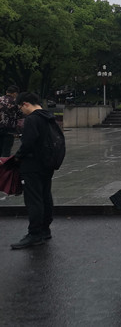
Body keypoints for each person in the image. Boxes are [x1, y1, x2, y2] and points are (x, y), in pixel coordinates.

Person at [10, 92, 57, 249]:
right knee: (45, 196)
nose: (21, 111)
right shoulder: (48, 117)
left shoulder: (32, 119)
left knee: (33, 199)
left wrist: (17, 157)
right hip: (47, 163)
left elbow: (28, 143)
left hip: (32, 165)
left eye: (20, 108)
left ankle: (34, 233)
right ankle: (45, 229)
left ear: (25, 104)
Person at [0, 85, 21, 157]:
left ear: (6, 92)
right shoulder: (15, 102)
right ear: (15, 93)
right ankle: (4, 163)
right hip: (9, 129)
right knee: (6, 150)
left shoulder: (0, 99)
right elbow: (20, 114)